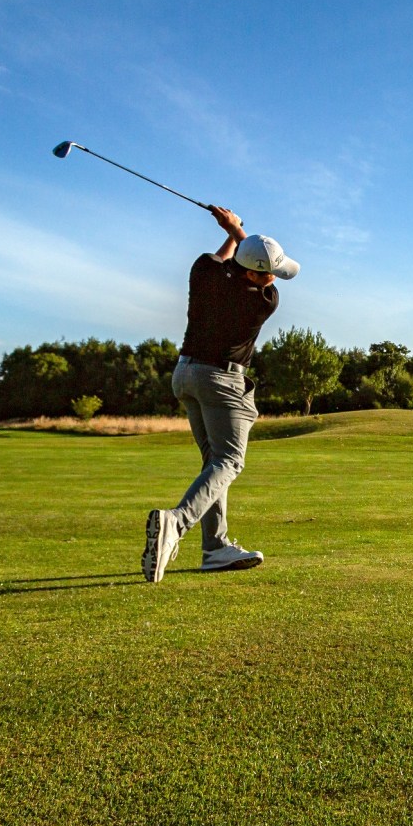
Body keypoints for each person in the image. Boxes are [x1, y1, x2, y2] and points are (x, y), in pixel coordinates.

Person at [142, 206, 300, 583]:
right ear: (257, 274)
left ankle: (215, 549)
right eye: (271, 272)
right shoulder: (264, 299)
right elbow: (249, 267)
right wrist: (237, 229)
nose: (274, 278)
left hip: (186, 373)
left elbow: (228, 260)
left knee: (214, 461)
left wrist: (232, 230)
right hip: (221, 380)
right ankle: (175, 524)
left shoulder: (204, 271)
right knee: (230, 461)